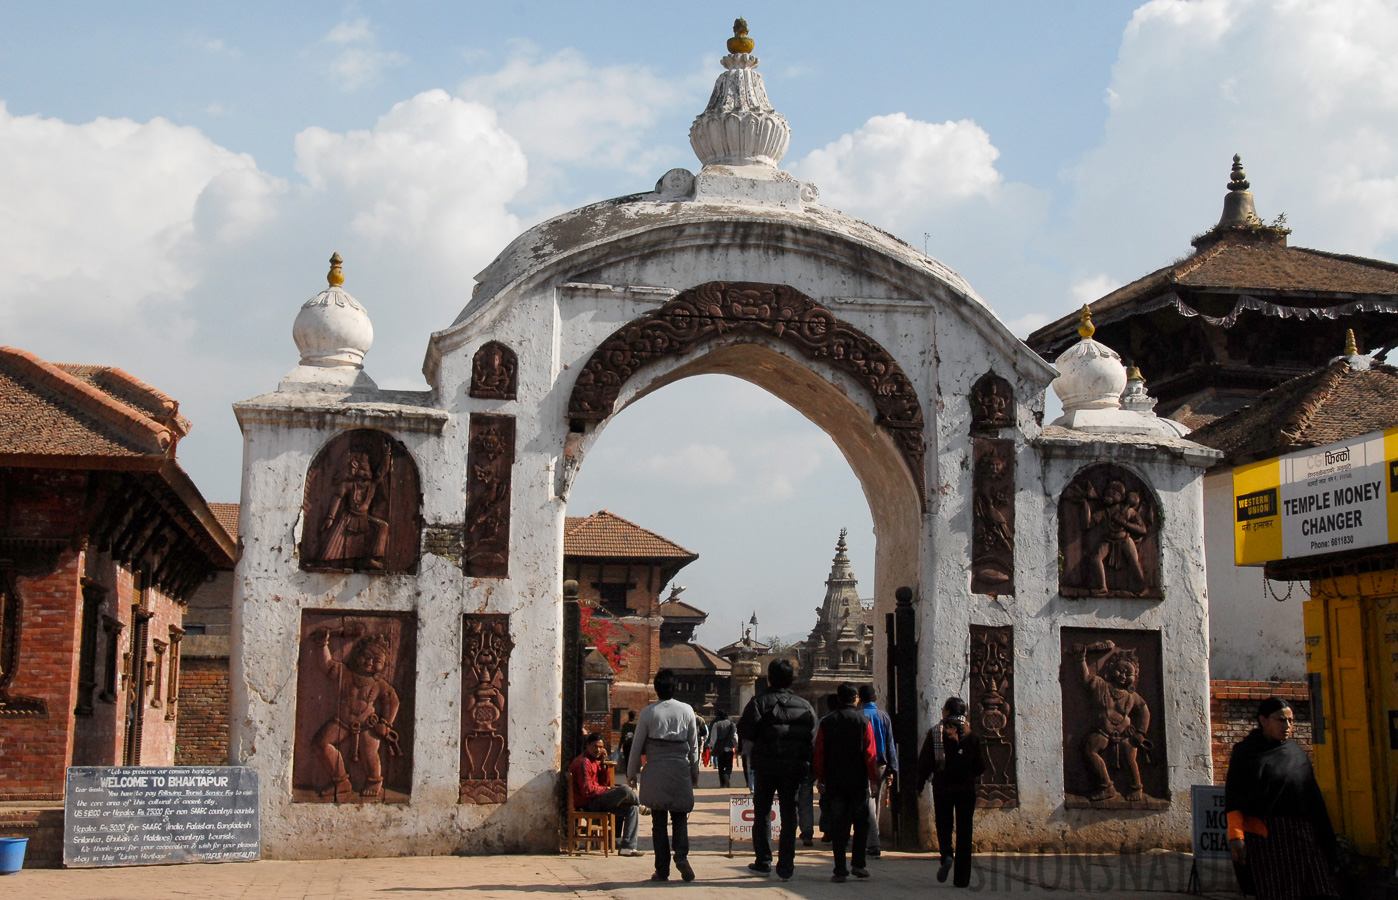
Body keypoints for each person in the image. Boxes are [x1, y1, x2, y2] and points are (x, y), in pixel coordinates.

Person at [1224, 697, 1340, 900]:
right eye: (1280, 720)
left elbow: (1312, 797)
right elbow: (1235, 798)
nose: (1287, 726)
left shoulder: (1295, 753)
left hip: (1304, 838)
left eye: (1290, 720)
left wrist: (1325, 836)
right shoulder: (1246, 753)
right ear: (1263, 720)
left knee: (1321, 890)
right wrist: (1236, 838)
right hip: (1269, 840)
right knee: (1280, 893)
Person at [738, 658, 817, 881]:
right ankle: (786, 865)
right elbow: (811, 736)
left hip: (765, 765)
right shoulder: (804, 705)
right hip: (794, 767)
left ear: (769, 678)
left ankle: (763, 861)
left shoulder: (758, 703)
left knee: (762, 812)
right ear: (791, 679)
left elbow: (745, 731)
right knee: (789, 813)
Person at [627, 669, 700, 882]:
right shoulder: (687, 711)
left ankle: (662, 870)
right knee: (680, 817)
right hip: (680, 769)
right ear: (674, 687)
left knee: (658, 821)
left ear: (656, 689)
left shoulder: (648, 712)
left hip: (655, 769)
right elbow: (694, 746)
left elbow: (636, 746)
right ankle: (682, 856)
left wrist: (632, 773)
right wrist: (694, 772)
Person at [814, 682, 879, 883]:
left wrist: (820, 778)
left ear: (839, 698)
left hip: (835, 780)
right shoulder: (864, 721)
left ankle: (840, 869)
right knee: (861, 823)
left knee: (839, 825)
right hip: (858, 780)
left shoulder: (827, 722)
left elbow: (819, 753)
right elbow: (870, 753)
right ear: (856, 698)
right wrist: (874, 779)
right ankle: (858, 864)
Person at [917, 697, 983, 888]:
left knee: (944, 826)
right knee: (965, 831)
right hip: (966, 790)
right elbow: (980, 766)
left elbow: (924, 763)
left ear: (946, 712)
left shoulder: (936, 733)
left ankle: (946, 854)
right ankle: (962, 879)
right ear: (964, 713)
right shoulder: (972, 735)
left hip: (943, 788)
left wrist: (919, 785)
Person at [568, 733, 643, 857]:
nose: (598, 750)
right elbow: (587, 791)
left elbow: (604, 783)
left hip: (597, 800)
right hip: (588, 803)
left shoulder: (594, 761)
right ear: (587, 746)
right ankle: (642, 803)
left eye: (600, 747)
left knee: (632, 808)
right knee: (624, 789)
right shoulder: (583, 762)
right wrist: (608, 790)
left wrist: (603, 763)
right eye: (595, 747)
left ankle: (628, 847)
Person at [858, 684, 898, 858]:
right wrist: (893, 767)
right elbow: (890, 743)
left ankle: (873, 843)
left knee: (867, 803)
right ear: (874, 698)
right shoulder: (883, 716)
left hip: (863, 764)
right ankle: (872, 837)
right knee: (876, 802)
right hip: (881, 763)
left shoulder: (858, 716)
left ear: (860, 698)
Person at [708, 710, 738, 788]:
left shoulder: (716, 724)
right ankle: (727, 774)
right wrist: (737, 746)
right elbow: (734, 737)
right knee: (729, 765)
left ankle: (722, 783)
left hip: (719, 748)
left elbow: (713, 737)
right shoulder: (732, 725)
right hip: (729, 748)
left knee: (720, 766)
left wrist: (711, 747)